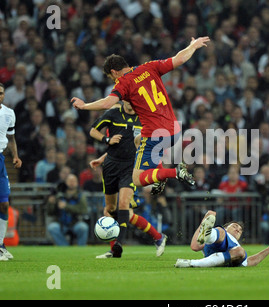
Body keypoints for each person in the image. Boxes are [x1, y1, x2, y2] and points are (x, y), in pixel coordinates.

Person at [71, 36, 211, 191]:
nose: (114, 81)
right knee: (138, 139)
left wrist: (84, 106)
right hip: (174, 131)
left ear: (114, 72)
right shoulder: (149, 67)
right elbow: (179, 59)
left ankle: (174, 172)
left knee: (137, 179)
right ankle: (159, 177)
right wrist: (193, 46)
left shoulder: (123, 83)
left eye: (112, 78)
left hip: (155, 134)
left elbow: (107, 103)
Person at [89, 101, 167, 258]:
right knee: (111, 210)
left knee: (123, 205)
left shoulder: (144, 118)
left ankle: (118, 244)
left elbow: (148, 146)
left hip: (131, 168)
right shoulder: (113, 114)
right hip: (111, 166)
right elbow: (95, 132)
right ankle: (158, 237)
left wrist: (159, 167)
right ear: (123, 98)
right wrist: (105, 145)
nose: (131, 101)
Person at [174, 210, 269, 268]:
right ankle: (208, 233)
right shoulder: (224, 232)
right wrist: (205, 219)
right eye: (235, 226)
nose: (238, 229)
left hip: (228, 255)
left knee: (240, 252)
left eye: (240, 230)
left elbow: (251, 261)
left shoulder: (237, 246)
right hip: (216, 243)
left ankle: (190, 262)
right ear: (227, 227)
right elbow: (195, 246)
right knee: (220, 232)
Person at [0, 83, 22, 261]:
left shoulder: (9, 113)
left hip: (1, 160)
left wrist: (15, 155)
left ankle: (0, 245)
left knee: (4, 204)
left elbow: (11, 137)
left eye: (1, 93)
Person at [46, 173, 89, 246]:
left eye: (74, 181)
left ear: (77, 183)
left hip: (76, 223)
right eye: (70, 181)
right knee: (52, 227)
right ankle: (64, 247)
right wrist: (51, 203)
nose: (72, 183)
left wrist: (66, 206)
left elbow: (83, 210)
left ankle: (81, 249)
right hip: (61, 224)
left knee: (83, 227)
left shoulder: (80, 195)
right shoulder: (59, 195)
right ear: (66, 182)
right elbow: (50, 212)